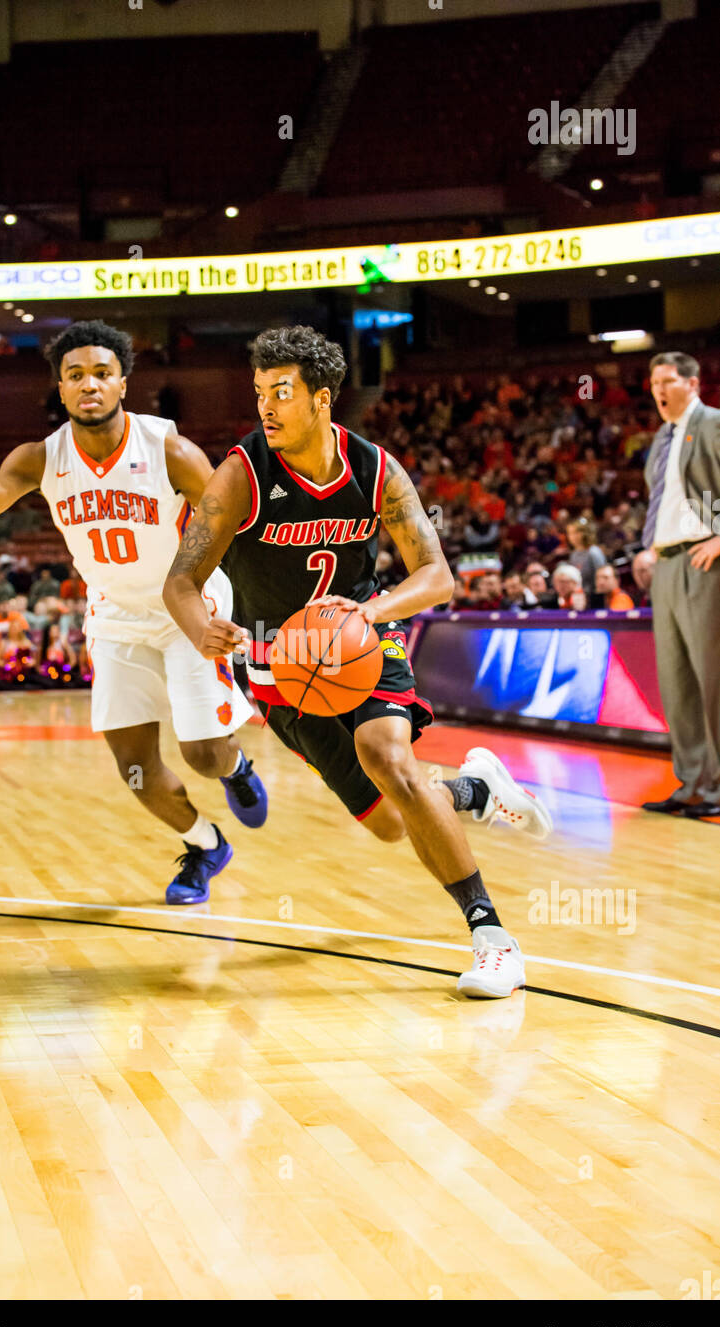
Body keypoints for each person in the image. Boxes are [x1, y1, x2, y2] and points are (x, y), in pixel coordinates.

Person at [164, 326, 553, 1001]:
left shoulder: (374, 468)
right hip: (278, 671)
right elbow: (179, 582)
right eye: (259, 393)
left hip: (363, 643)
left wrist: (369, 614)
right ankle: (476, 793)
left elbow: (435, 576)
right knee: (390, 821)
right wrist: (202, 630)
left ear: (321, 399)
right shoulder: (240, 475)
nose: (266, 407)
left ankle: (492, 938)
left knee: (389, 757)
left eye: (280, 393)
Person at [0, 318, 267, 901]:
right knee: (136, 771)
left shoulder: (170, 450)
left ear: (123, 382)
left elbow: (230, 525)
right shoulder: (40, 458)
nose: (89, 385)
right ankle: (207, 845)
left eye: (102, 373)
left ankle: (235, 769)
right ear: (60, 388)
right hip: (115, 617)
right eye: (75, 375)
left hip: (187, 608)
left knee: (203, 754)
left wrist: (237, 613)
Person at [633, 351, 720, 817]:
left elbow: (708, 503)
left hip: (704, 562)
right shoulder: (662, 438)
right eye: (653, 382)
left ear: (693, 383)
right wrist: (651, 548)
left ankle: (717, 788)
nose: (659, 390)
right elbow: (668, 504)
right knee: (677, 681)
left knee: (712, 678)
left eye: (667, 380)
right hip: (667, 564)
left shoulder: (711, 424)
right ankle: (692, 783)